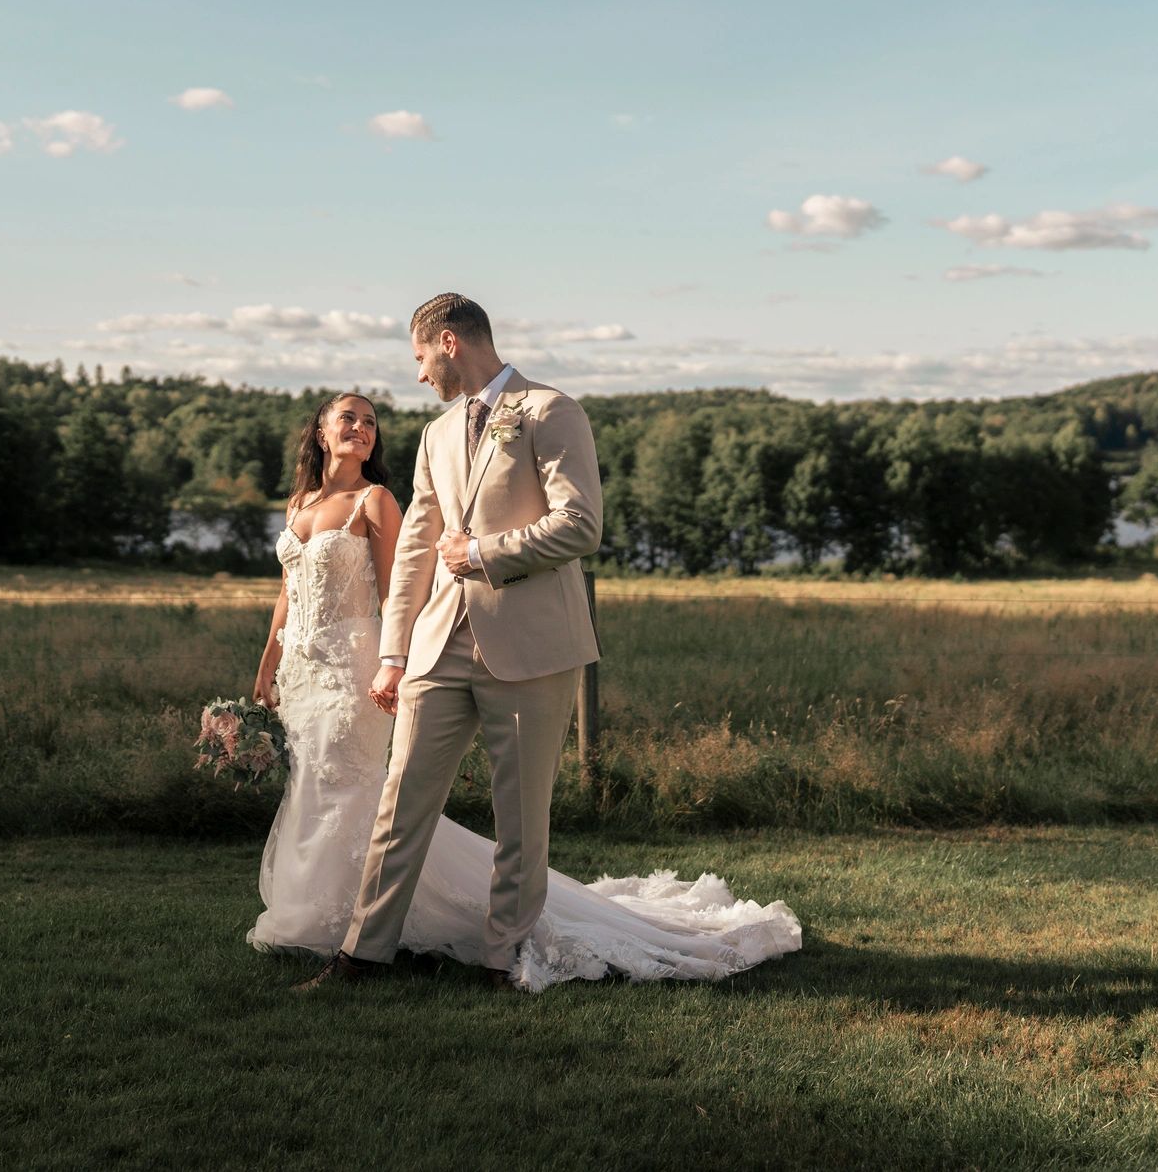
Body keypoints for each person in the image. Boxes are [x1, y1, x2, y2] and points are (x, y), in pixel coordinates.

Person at [255, 295, 799, 992]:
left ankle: (499, 958)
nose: (419, 376)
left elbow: (581, 524)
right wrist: (394, 652)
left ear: (447, 343)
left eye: (420, 358)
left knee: (521, 816)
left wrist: (483, 551)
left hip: (532, 644)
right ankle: (361, 953)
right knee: (400, 802)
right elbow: (419, 547)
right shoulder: (435, 434)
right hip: (437, 644)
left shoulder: (551, 411)